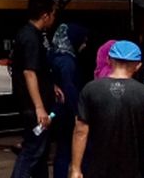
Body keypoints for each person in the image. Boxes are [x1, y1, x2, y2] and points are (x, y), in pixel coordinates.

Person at [70, 40, 144, 178]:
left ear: (108, 60)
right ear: (138, 65)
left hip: (97, 170)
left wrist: (76, 168)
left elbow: (80, 131)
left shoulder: (90, 89)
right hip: (134, 170)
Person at [10, 0, 61, 178]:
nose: (54, 18)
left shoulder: (32, 34)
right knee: (32, 150)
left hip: (37, 100)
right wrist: (39, 107)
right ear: (45, 15)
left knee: (40, 151)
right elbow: (29, 72)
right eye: (53, 14)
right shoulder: (30, 37)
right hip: (33, 106)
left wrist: (51, 86)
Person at [50, 24, 90, 178]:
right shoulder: (68, 61)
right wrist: (77, 112)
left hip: (59, 110)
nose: (84, 45)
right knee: (73, 149)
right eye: (83, 41)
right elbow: (69, 87)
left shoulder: (54, 56)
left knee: (62, 150)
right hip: (68, 112)